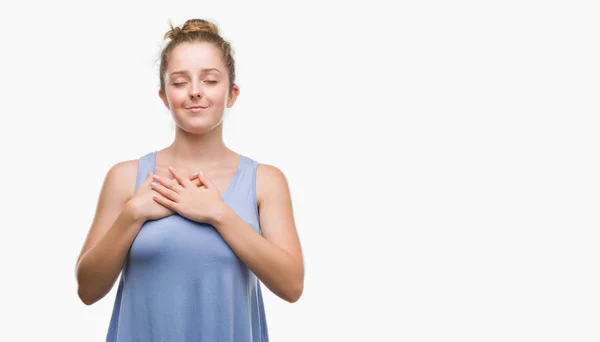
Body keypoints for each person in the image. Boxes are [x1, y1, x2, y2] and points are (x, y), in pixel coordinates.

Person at [75, 18, 304, 341]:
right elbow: (87, 290)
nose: (195, 92)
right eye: (180, 82)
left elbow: (292, 286)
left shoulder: (265, 181)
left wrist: (218, 213)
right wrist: (133, 214)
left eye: (210, 80)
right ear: (164, 97)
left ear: (232, 93)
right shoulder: (126, 178)